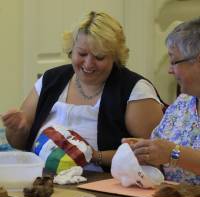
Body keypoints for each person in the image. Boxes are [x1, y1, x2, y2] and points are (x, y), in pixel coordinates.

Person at [1, 11, 163, 172]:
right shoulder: (51, 79)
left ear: (115, 56)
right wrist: (19, 129)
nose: (88, 63)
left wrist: (95, 156)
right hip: (42, 181)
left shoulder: (135, 91)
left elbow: (155, 156)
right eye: (82, 53)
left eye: (99, 57)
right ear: (72, 50)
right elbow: (19, 144)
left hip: (103, 188)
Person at [123, 17, 200, 184]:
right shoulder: (183, 103)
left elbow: (171, 152)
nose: (169, 70)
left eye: (174, 61)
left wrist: (173, 153)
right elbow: (161, 153)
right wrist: (145, 152)